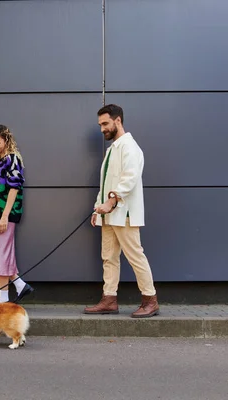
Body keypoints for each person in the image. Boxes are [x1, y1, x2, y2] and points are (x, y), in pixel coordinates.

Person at [83, 104, 159, 318]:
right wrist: (98, 208)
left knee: (135, 256)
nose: (102, 129)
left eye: (105, 123)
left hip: (123, 212)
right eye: (100, 125)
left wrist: (111, 201)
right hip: (108, 214)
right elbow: (106, 182)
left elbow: (130, 179)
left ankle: (150, 300)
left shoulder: (129, 147)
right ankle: (109, 299)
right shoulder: (113, 149)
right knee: (109, 257)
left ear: (118, 121)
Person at [0, 124, 34, 303]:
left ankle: (3, 296)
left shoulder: (12, 159)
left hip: (6, 215)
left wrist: (4, 216)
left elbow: (14, 188)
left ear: (6, 140)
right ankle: (20, 285)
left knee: (0, 253)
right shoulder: (2, 161)